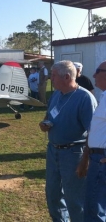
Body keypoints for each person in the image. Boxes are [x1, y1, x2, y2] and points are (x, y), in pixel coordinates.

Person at [38, 60, 97, 222]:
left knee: (75, 200)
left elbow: (93, 133)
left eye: (54, 75)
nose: (51, 78)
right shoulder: (56, 94)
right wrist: (44, 124)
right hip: (53, 151)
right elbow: (49, 115)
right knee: (53, 195)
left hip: (74, 154)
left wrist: (85, 162)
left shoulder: (85, 98)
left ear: (66, 77)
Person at [80, 61, 106, 221]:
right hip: (96, 158)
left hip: (102, 160)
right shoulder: (103, 95)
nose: (94, 75)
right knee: (93, 206)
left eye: (98, 71)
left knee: (95, 210)